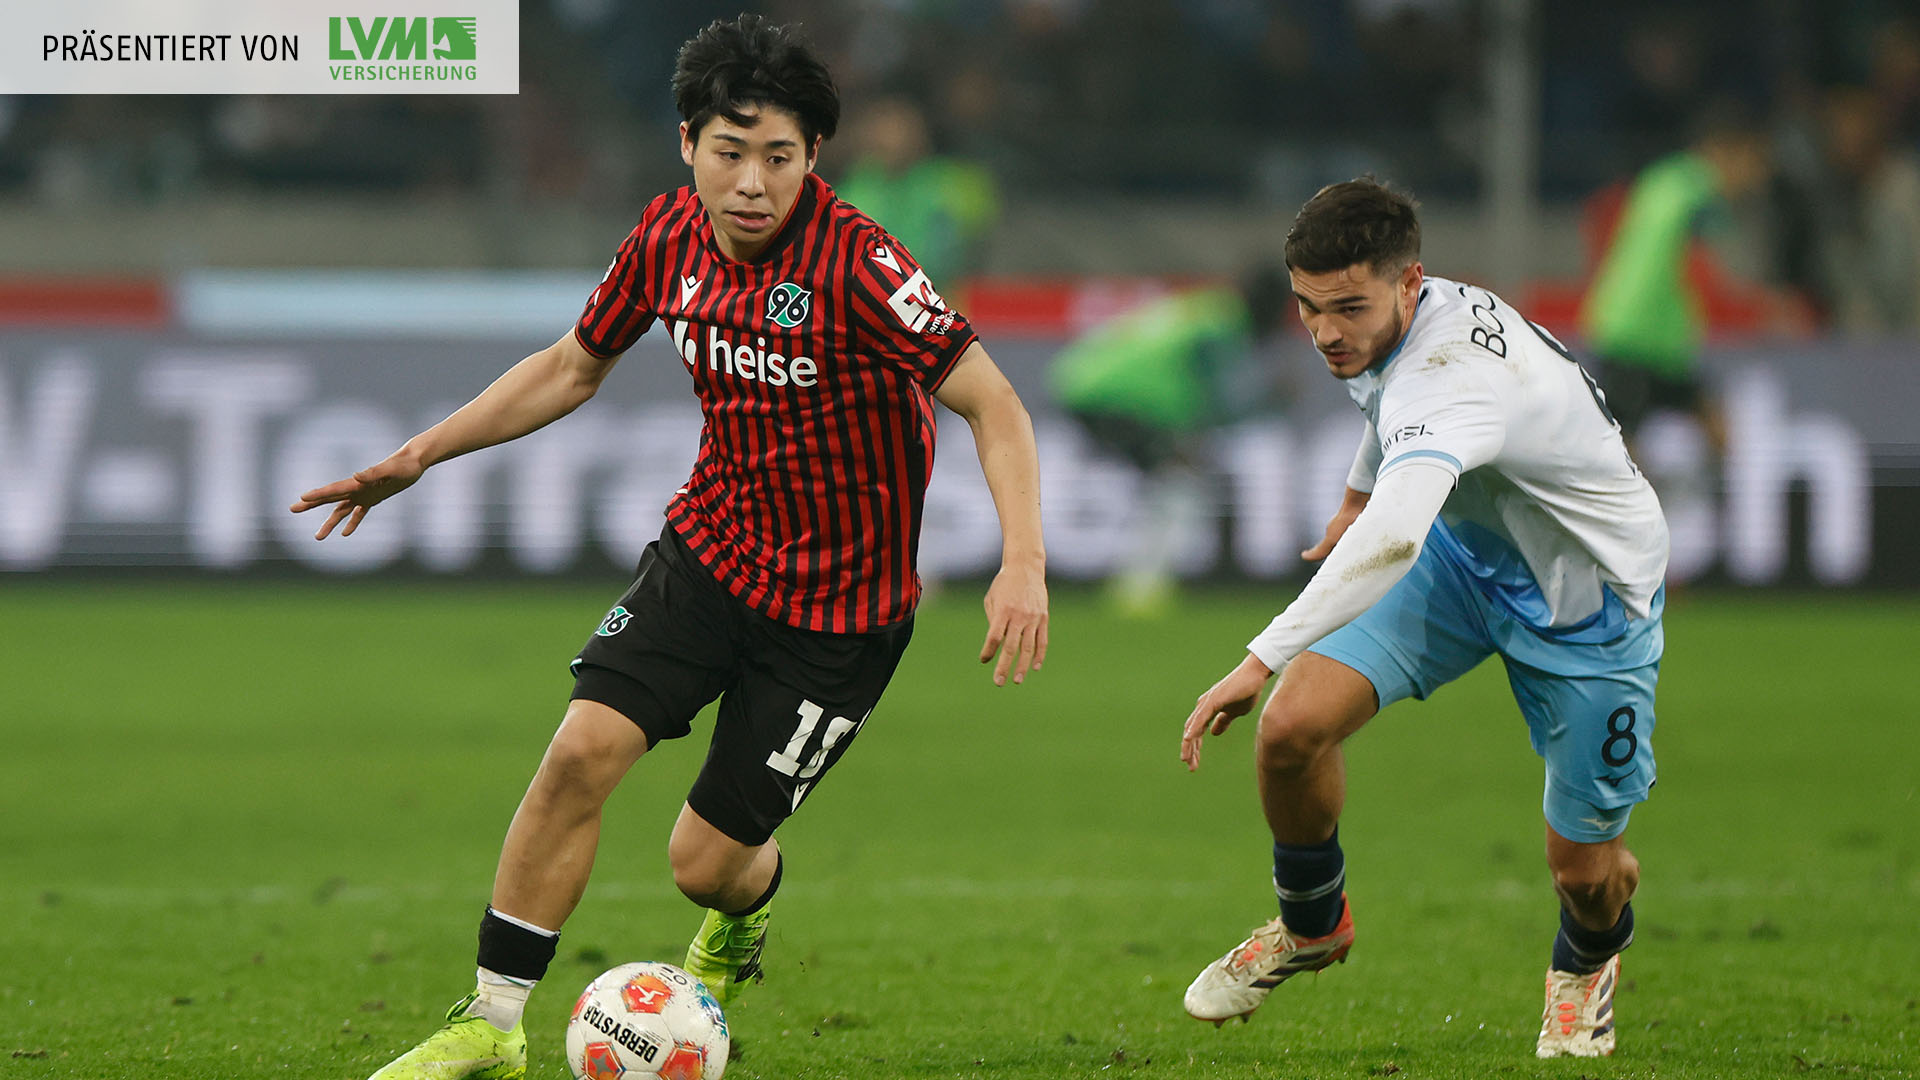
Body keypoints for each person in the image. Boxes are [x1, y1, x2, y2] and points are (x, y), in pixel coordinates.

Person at [291, 16, 1049, 1080]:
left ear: (813, 159)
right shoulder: (665, 237)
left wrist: (1024, 562)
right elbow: (570, 366)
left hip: (839, 616)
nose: (752, 182)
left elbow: (994, 403)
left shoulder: (862, 267)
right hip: (709, 556)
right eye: (730, 152)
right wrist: (420, 455)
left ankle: (741, 914)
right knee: (578, 754)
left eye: (778, 157)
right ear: (686, 143)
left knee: (704, 865)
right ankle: (492, 1024)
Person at [1177, 178, 1668, 1061]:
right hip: (1469, 559)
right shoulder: (1406, 321)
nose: (1326, 332)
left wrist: (1257, 658)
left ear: (1408, 285)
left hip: (1586, 603)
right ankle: (1313, 926)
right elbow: (1385, 406)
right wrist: (1356, 493)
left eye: (1347, 308)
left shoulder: (1450, 379)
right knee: (1291, 732)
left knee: (1586, 877)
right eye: (1307, 308)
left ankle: (1588, 959)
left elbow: (1396, 536)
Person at [1048, 265, 1292, 612]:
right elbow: (1214, 404)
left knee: (1171, 479)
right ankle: (1141, 588)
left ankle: (1139, 583)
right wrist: (1270, 402)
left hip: (1087, 382)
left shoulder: (1210, 308)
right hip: (1117, 398)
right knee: (1179, 482)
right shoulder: (1222, 328)